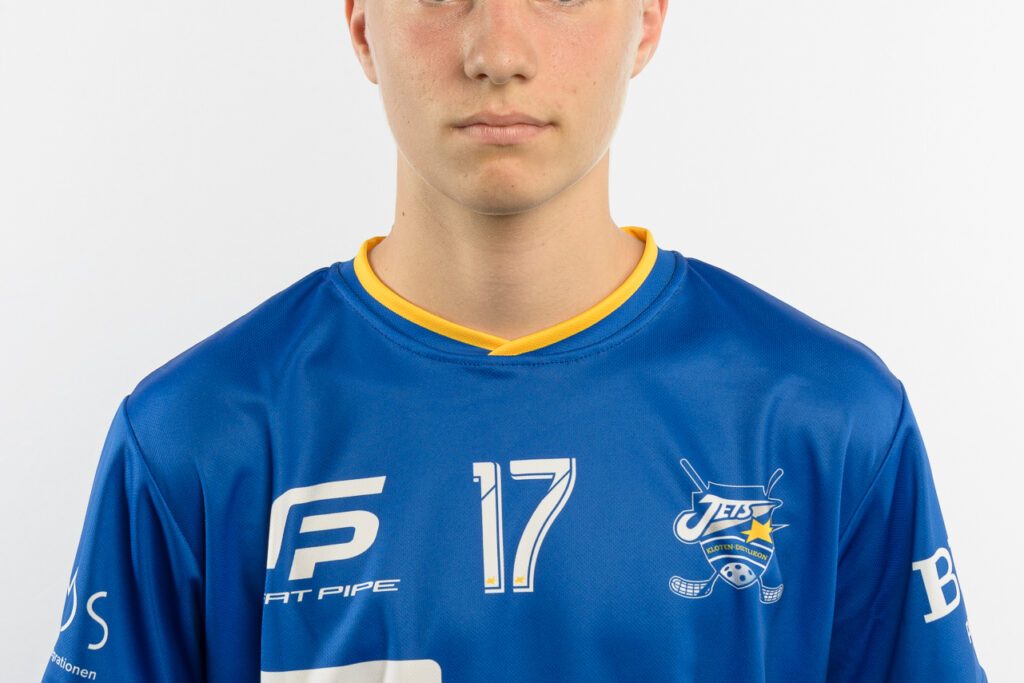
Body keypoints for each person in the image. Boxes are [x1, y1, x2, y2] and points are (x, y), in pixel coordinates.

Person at [43, 0, 987, 680]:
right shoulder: (196, 438)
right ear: (360, 22)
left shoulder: (828, 421)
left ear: (648, 19)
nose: (498, 50)